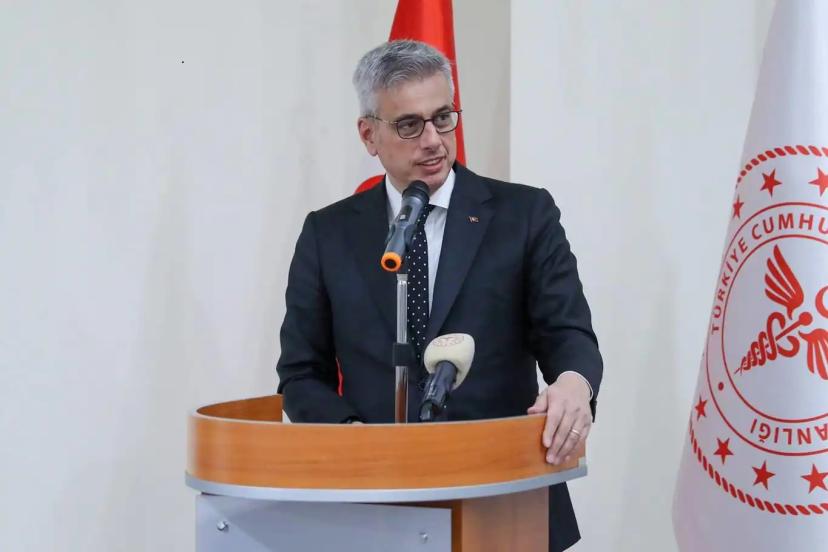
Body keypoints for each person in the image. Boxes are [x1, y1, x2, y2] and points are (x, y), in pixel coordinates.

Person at [276, 39, 603, 552]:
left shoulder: (524, 215)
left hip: (505, 497)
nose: (433, 140)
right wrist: (351, 435)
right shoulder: (328, 234)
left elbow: (568, 333)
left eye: (443, 118)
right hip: (374, 505)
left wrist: (574, 384)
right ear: (369, 135)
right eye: (409, 125)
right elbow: (300, 373)